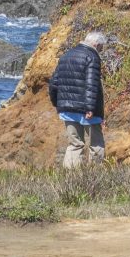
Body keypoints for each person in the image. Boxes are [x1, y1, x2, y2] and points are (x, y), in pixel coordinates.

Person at [47, 31, 107, 168]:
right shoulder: (92, 57)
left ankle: (70, 179)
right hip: (87, 109)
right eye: (101, 48)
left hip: (67, 108)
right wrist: (91, 108)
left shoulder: (66, 55)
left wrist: (57, 102)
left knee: (75, 144)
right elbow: (92, 84)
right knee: (96, 143)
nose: (101, 51)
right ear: (96, 45)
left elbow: (53, 83)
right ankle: (96, 174)